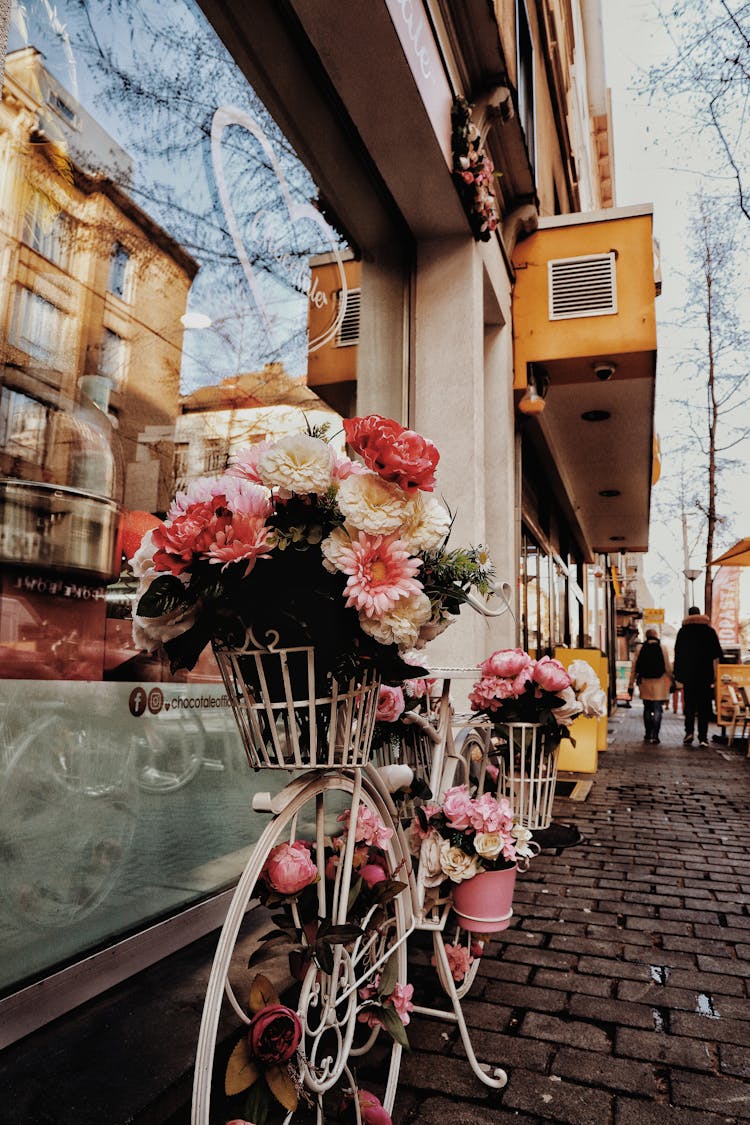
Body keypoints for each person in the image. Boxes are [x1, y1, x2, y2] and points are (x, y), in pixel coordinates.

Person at [672, 605, 723, 748]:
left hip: (688, 676)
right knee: (704, 707)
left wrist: (678, 674)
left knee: (689, 706)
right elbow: (717, 653)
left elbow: (678, 654)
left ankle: (689, 733)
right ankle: (703, 737)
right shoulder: (709, 631)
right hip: (705, 676)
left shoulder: (683, 632)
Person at [628, 629, 673, 744]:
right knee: (658, 709)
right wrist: (673, 679)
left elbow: (634, 667)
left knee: (647, 708)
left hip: (645, 682)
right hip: (660, 683)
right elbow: (667, 667)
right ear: (656, 636)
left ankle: (648, 733)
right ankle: (656, 735)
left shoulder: (640, 648)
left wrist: (631, 683)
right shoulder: (662, 648)